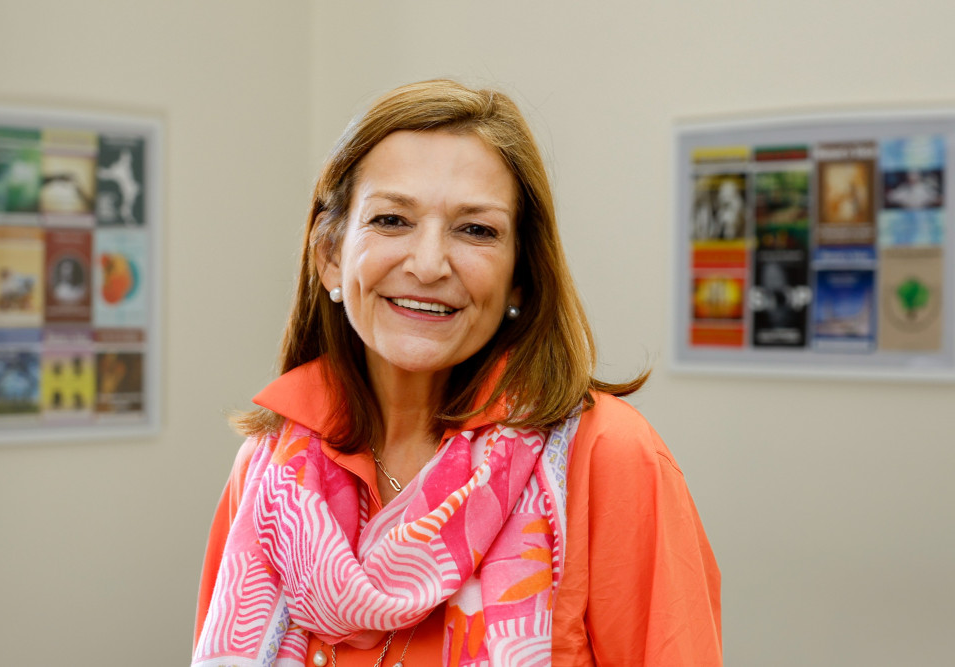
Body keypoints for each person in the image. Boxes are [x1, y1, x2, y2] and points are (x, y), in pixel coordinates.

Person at [192, 79, 721, 666]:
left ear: (520, 276)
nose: (427, 264)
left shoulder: (611, 457)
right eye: (392, 220)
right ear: (331, 257)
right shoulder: (267, 469)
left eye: (476, 230)